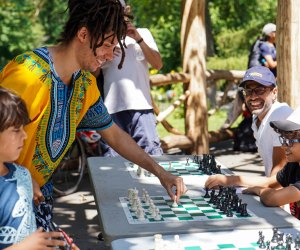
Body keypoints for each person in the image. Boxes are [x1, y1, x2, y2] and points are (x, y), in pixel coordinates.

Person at [0, 0, 186, 231]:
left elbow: (115, 135)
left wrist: (161, 173)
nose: (110, 56)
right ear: (83, 34)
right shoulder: (26, 75)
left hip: (38, 203)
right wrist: (24, 178)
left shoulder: (85, 84)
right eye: (108, 45)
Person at [0, 87, 78, 250]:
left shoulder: (22, 175)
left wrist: (57, 241)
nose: (25, 135)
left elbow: (31, 228)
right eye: (16, 130)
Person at [205, 106, 300, 219]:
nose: (283, 146)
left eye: (290, 141)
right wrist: (229, 180)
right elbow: (269, 182)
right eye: (284, 139)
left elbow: (272, 198)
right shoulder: (294, 165)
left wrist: (257, 190)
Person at [100, 2, 163, 156]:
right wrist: (105, 50)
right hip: (112, 110)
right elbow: (94, 74)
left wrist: (139, 39)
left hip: (142, 107)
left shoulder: (142, 32)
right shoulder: (101, 37)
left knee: (152, 155)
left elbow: (158, 64)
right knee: (114, 162)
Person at [238, 66, 292, 177]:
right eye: (248, 91)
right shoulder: (257, 117)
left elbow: (279, 177)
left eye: (259, 90)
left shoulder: (281, 114)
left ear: (274, 92)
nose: (253, 97)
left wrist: (235, 180)